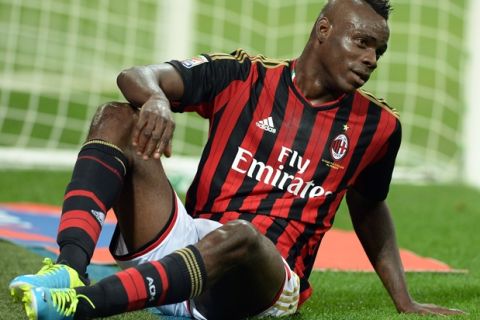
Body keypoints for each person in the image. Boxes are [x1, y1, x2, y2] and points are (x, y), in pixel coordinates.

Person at [9, 0, 464, 319]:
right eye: (362, 42)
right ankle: (68, 270)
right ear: (323, 30)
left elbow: (370, 207)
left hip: (264, 280)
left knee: (241, 237)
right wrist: (156, 101)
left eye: (378, 52)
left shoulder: (379, 127)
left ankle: (86, 305)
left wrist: (404, 300)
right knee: (115, 116)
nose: (371, 60)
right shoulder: (242, 76)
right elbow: (137, 75)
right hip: (185, 247)